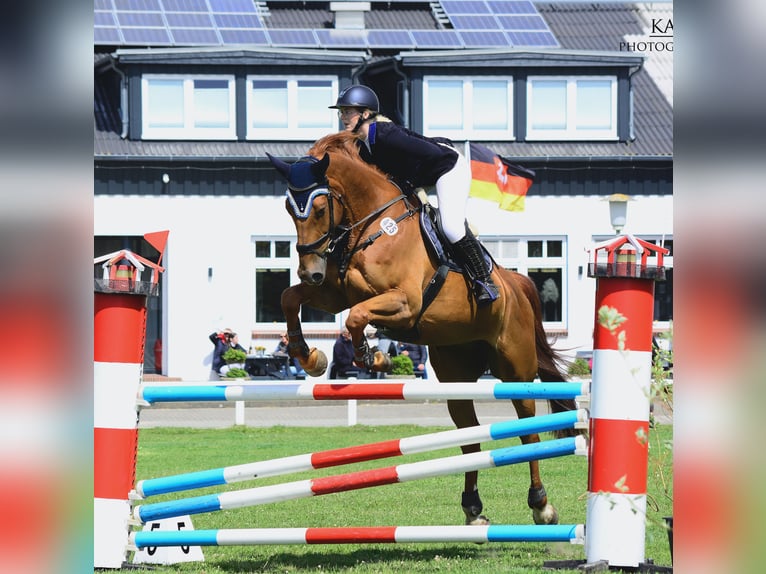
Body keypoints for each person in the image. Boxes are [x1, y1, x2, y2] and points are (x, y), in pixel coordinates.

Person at [330, 84, 498, 306]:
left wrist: (410, 182)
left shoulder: (385, 134)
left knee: (451, 227)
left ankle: (484, 279)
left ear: (365, 114)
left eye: (347, 111)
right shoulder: (364, 146)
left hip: (447, 167)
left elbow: (432, 153)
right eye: (341, 111)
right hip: (424, 175)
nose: (343, 116)